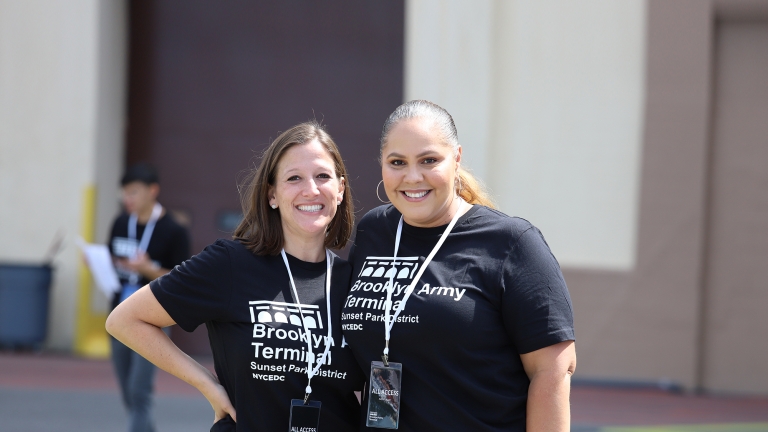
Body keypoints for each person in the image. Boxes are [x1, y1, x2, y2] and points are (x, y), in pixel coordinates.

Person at [107, 122, 366, 432]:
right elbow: (124, 321)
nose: (311, 189)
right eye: (294, 178)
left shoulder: (355, 281)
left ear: (340, 189)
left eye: (322, 176)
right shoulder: (231, 264)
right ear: (272, 194)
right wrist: (207, 384)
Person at [340, 100, 577, 431]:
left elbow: (553, 369)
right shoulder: (373, 232)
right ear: (381, 164)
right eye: (397, 162)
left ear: (457, 158)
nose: (412, 176)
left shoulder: (512, 243)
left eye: (429, 160)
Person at [107, 162, 191, 432]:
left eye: (133, 192)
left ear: (152, 191)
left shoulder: (173, 230)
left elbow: (182, 281)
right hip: (119, 314)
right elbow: (113, 259)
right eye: (124, 193)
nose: (126, 199)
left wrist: (148, 269)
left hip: (153, 319)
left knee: (139, 390)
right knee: (128, 392)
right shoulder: (121, 222)